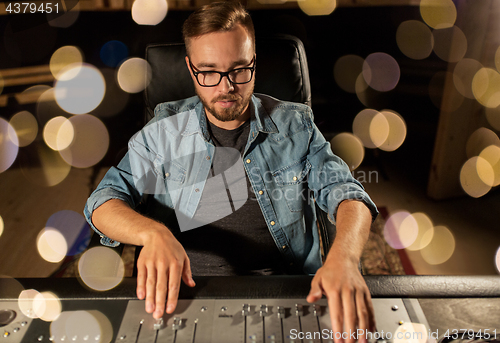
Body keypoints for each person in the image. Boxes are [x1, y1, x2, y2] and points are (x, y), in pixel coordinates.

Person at [84, 1, 378, 341]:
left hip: (284, 292)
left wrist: (343, 257)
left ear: (254, 62)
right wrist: (153, 234)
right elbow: (103, 200)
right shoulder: (164, 130)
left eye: (239, 70)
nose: (226, 87)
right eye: (208, 72)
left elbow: (348, 193)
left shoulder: (295, 125)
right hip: (178, 297)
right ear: (190, 68)